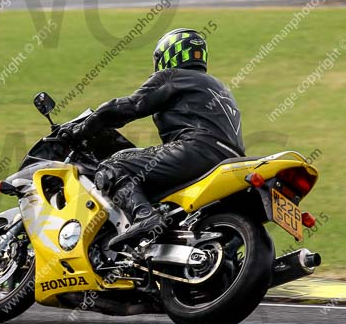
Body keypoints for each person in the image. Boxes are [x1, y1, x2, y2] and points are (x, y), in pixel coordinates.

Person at [59, 28, 245, 247]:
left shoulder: (173, 76)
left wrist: (80, 129)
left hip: (196, 150)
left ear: (167, 55)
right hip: (231, 159)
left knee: (114, 165)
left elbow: (129, 106)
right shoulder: (219, 88)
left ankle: (144, 216)